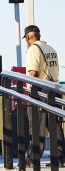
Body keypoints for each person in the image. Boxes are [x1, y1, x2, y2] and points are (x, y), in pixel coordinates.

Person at [24, 25, 62, 162]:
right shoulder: (51, 48)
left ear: (28, 37)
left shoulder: (33, 50)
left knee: (36, 126)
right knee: (54, 125)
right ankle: (60, 156)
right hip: (55, 89)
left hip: (40, 90)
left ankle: (33, 157)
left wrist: (31, 93)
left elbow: (33, 73)